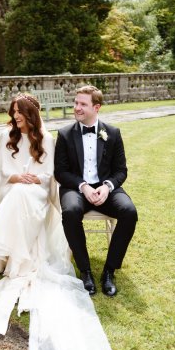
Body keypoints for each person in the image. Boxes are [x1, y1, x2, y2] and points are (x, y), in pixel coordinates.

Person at [0, 92, 124, 350]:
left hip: (37, 192)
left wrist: (31, 178)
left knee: (25, 196)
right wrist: (15, 176)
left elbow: (51, 177)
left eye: (20, 115)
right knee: (15, 195)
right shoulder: (5, 136)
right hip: (14, 188)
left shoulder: (48, 139)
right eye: (13, 114)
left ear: (31, 115)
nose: (16, 120)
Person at [54, 85, 138, 297]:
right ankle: (86, 271)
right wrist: (83, 186)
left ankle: (109, 271)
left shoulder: (113, 133)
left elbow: (121, 171)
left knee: (129, 212)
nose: (77, 108)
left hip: (105, 188)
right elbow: (61, 172)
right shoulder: (64, 134)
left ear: (96, 107)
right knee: (71, 212)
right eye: (76, 103)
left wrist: (107, 187)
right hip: (76, 188)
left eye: (83, 104)